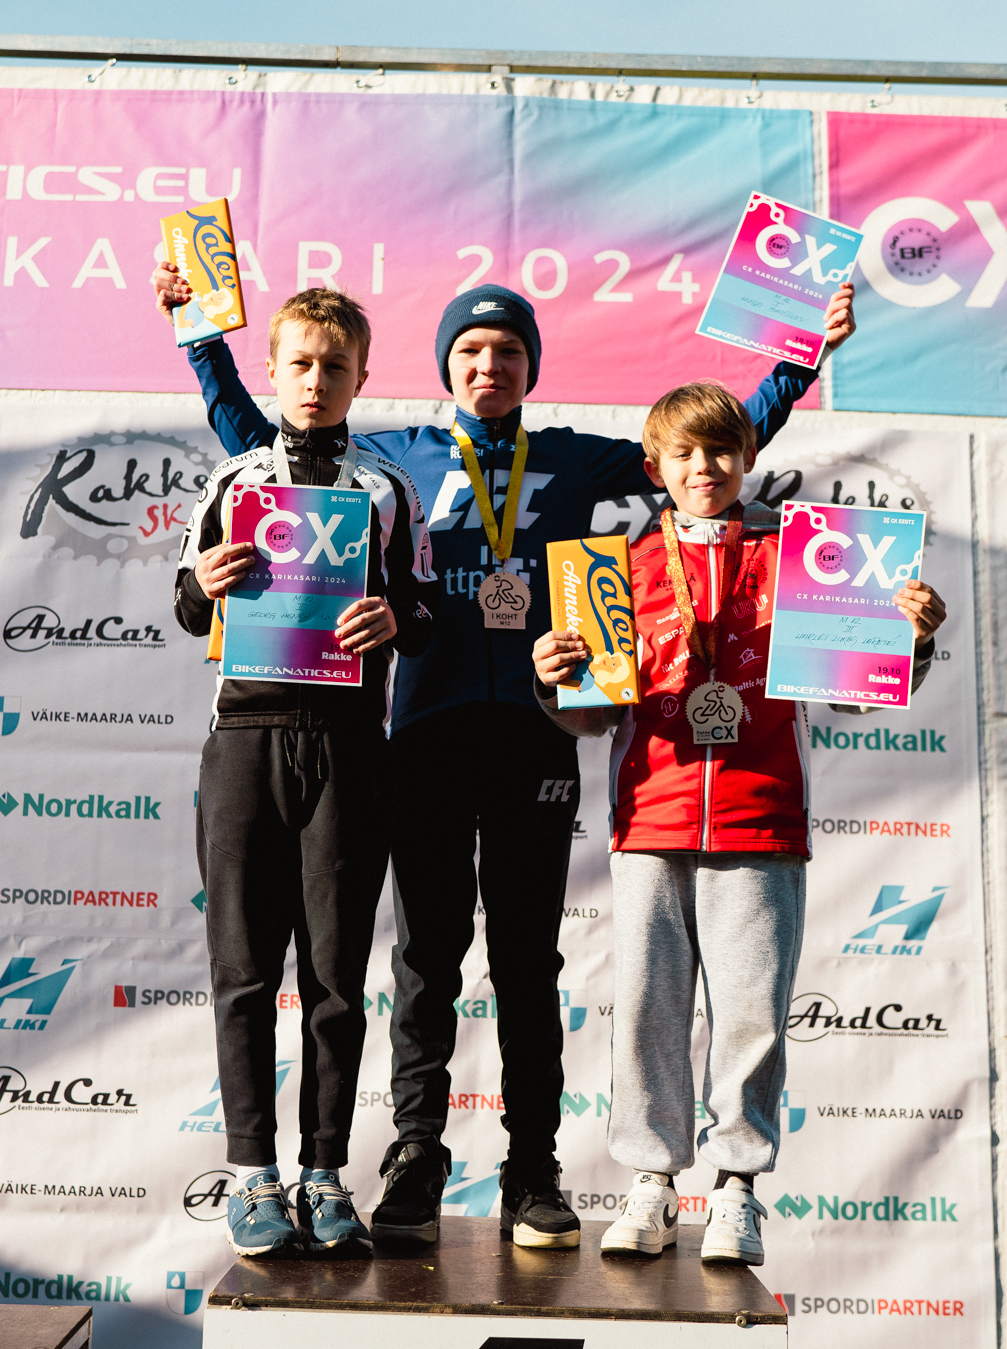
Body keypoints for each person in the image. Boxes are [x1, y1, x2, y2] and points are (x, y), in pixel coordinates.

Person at [153, 261, 855, 1248]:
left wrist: (801, 356)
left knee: (528, 961)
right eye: (472, 350)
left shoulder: (572, 460)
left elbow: (708, 447)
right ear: (445, 365)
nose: (490, 364)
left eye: (510, 350)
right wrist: (198, 336)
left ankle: (532, 1166)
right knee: (424, 958)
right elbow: (251, 440)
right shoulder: (388, 459)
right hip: (423, 736)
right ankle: (414, 1152)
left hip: (535, 737)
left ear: (531, 367)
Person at [529, 382, 946, 1265]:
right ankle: (651, 1181)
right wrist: (554, 677)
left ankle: (736, 1188)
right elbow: (590, 718)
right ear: (654, 468)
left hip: (762, 814)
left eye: (720, 449)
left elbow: (856, 697)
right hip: (651, 816)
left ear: (749, 457)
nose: (704, 467)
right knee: (649, 1009)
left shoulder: (807, 560)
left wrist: (908, 640)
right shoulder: (617, 568)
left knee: (752, 1016)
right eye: (683, 453)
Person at [173, 286, 436, 1257]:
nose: (316, 381)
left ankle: (323, 1171)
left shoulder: (386, 488)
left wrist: (395, 619)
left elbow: (423, 609)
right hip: (245, 736)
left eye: (335, 366)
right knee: (243, 970)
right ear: (274, 371)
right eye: (300, 364)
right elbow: (187, 604)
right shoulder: (234, 478)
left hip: (348, 742)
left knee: (334, 976)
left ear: (361, 376)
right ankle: (253, 1173)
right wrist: (203, 582)